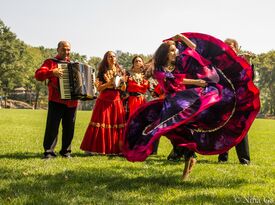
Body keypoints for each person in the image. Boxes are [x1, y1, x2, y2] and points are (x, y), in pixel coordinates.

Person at [122, 33, 260, 180]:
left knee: (190, 125)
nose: (176, 52)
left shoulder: (180, 61)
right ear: (165, 54)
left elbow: (192, 47)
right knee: (176, 135)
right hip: (172, 105)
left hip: (184, 101)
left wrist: (181, 38)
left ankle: (187, 165)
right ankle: (186, 157)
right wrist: (195, 82)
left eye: (175, 50)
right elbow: (174, 81)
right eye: (172, 51)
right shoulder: (159, 70)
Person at [35, 41, 77, 159]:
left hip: (72, 102)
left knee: (69, 128)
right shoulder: (50, 62)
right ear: (58, 49)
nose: (66, 52)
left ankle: (66, 152)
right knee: (52, 127)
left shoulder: (74, 65)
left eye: (68, 49)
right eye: (63, 49)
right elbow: (38, 75)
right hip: (56, 100)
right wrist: (51, 72)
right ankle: (49, 152)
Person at [80, 51, 126, 155]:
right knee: (99, 122)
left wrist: (123, 83)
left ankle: (115, 150)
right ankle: (92, 149)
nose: (112, 58)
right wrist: (109, 84)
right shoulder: (101, 72)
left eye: (114, 56)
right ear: (106, 58)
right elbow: (99, 88)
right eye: (110, 56)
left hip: (116, 101)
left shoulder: (120, 72)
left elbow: (123, 88)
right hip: (103, 100)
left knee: (116, 124)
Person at [218, 38, 254, 165]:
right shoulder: (220, 62)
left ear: (236, 49)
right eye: (225, 46)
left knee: (240, 127)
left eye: (231, 46)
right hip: (224, 99)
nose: (227, 48)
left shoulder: (242, 62)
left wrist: (247, 62)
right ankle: (223, 158)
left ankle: (244, 159)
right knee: (223, 127)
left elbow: (250, 79)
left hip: (239, 101)